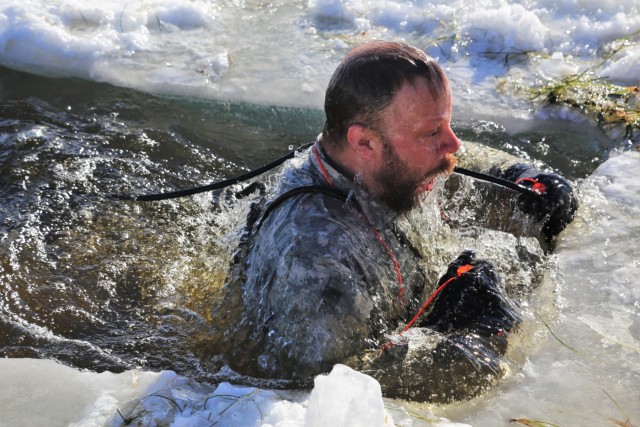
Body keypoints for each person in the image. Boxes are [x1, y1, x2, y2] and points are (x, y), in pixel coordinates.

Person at [210, 41, 578, 403]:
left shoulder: (379, 163)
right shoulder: (314, 261)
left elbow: (458, 172)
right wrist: (470, 338)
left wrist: (519, 179)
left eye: (448, 125)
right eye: (433, 133)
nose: (454, 145)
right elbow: (329, 386)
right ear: (365, 143)